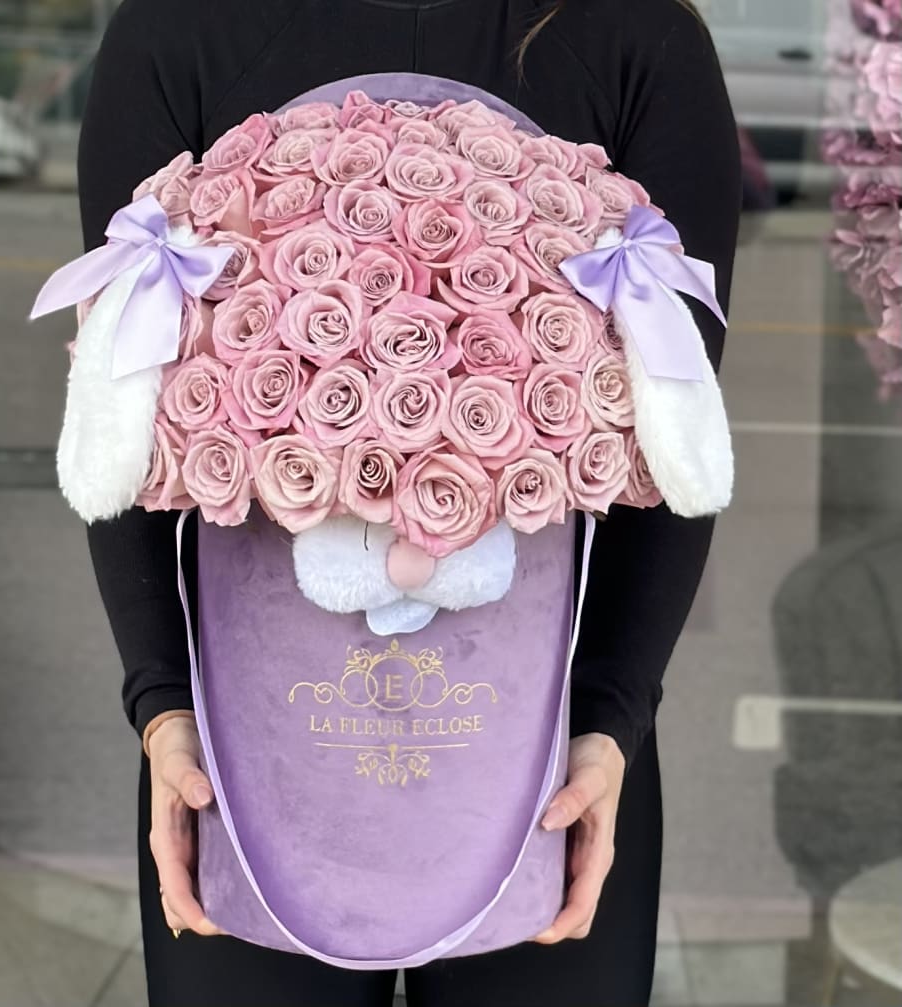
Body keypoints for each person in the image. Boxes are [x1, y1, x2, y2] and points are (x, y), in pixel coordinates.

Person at [76, 1, 741, 1004]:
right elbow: (117, 408)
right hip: (246, 752)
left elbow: (678, 424)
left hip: (550, 750)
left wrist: (607, 722)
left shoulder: (634, 36)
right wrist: (164, 707)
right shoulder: (181, 26)